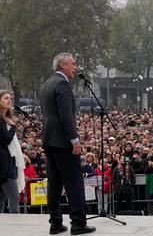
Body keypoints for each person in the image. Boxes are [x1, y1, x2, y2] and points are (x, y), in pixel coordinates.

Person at [40, 53, 94, 235]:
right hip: (63, 141)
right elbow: (66, 115)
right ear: (63, 65)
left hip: (49, 139)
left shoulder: (47, 83)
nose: (75, 67)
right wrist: (74, 139)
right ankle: (78, 222)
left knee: (54, 182)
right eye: (73, 64)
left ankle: (55, 223)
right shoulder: (62, 84)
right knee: (74, 182)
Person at [0, 90, 21, 213]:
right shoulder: (1, 120)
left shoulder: (5, 119)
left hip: (6, 162)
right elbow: (6, 139)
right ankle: (16, 226)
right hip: (4, 165)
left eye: (10, 98)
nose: (9, 100)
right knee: (14, 197)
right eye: (5, 98)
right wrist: (13, 127)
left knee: (1, 198)